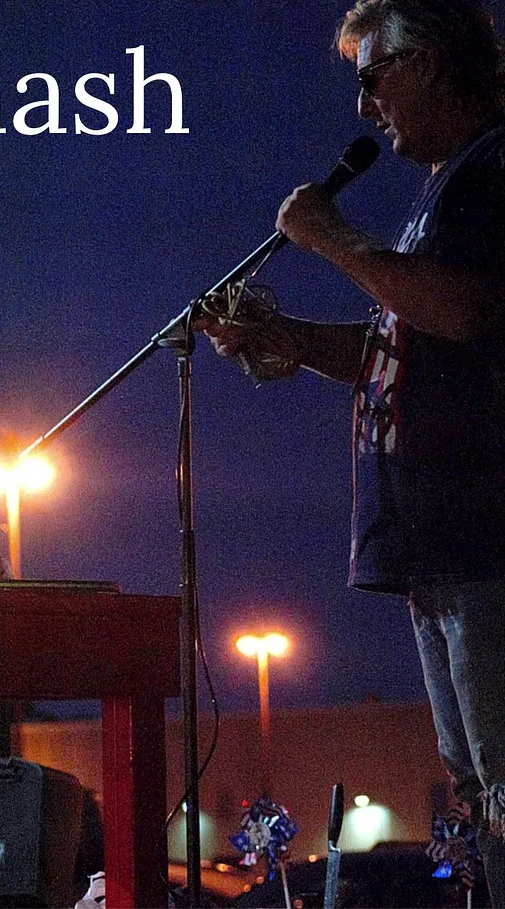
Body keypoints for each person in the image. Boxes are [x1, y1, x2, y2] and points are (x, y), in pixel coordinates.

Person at [196, 0, 505, 899]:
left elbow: (460, 310)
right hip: (441, 546)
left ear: (432, 60)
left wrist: (332, 239)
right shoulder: (446, 188)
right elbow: (410, 341)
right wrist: (289, 337)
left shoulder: (494, 171)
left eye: (373, 78)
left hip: (486, 536)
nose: (366, 109)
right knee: (481, 788)